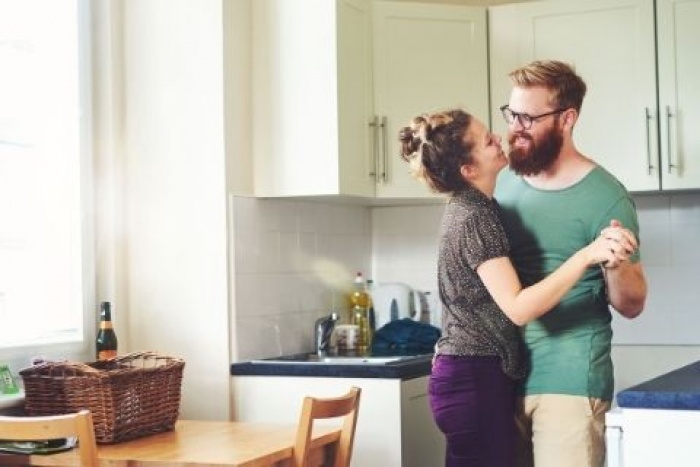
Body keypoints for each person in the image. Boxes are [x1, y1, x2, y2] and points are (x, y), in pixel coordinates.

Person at [398, 108, 637, 467]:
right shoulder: (476, 216)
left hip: (470, 377)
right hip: (473, 380)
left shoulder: (474, 208)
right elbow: (519, 307)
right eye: (486, 141)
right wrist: (587, 254)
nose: (499, 138)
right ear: (468, 170)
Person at [495, 60, 648, 467]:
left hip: (570, 378)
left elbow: (632, 304)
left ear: (567, 118)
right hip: (501, 375)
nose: (516, 127)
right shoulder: (503, 180)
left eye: (529, 117)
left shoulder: (606, 197)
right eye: (512, 114)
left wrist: (615, 265)